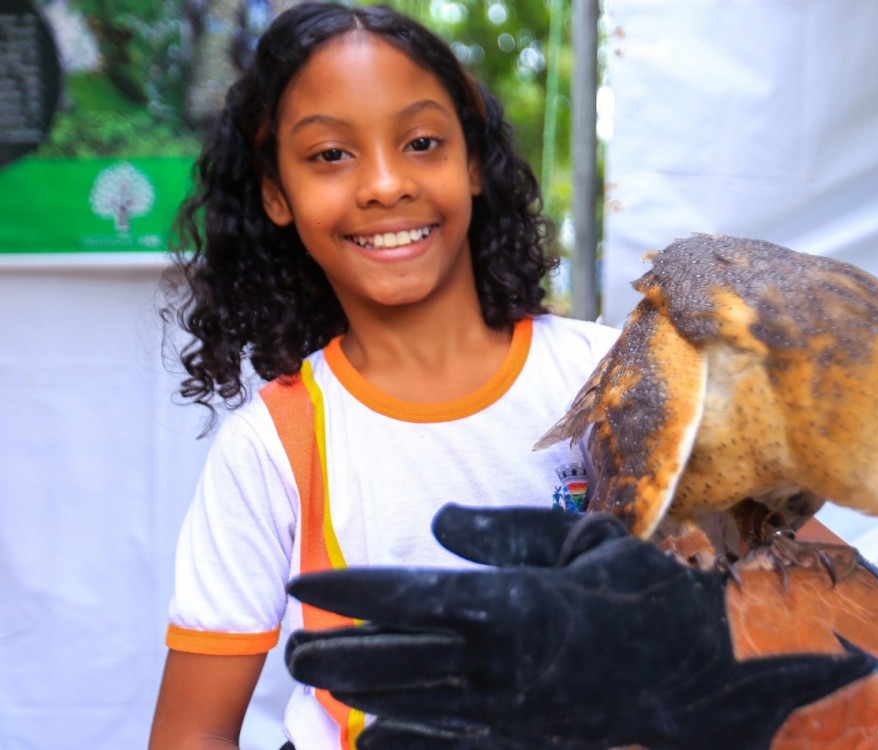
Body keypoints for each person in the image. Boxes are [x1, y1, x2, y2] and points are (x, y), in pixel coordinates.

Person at [149, 4, 619, 749]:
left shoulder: (610, 377)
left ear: (473, 161)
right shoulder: (273, 445)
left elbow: (798, 584)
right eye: (331, 154)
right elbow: (191, 733)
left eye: (421, 142)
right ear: (276, 194)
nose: (385, 184)